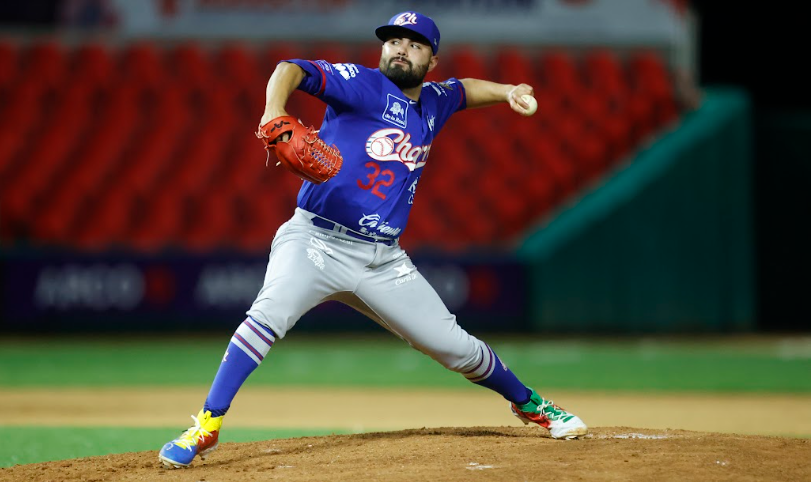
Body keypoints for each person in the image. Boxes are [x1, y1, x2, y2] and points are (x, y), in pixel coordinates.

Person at [158, 11, 587, 469]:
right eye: (394, 41)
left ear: (432, 61)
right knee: (267, 315)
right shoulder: (360, 84)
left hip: (383, 260)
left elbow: (464, 91)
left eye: (415, 44)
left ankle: (530, 404)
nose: (401, 48)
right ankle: (206, 425)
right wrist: (274, 111)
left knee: (455, 346)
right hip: (316, 242)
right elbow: (291, 68)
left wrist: (509, 92)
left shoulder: (434, 102)